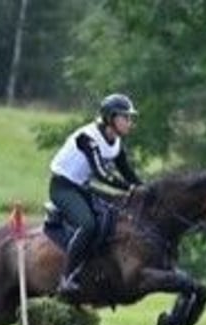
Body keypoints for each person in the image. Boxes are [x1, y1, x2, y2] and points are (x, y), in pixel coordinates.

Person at [48, 93, 144, 296]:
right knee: (88, 224)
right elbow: (101, 173)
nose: (130, 122)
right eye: (125, 117)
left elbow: (127, 171)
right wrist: (129, 188)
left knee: (114, 215)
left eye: (130, 118)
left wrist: (147, 189)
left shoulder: (115, 142)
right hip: (63, 188)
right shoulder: (88, 138)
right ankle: (66, 278)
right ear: (111, 118)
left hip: (82, 187)